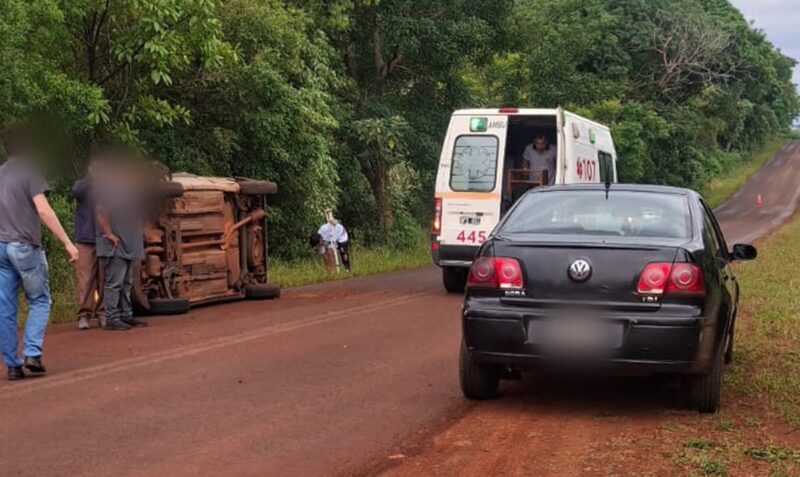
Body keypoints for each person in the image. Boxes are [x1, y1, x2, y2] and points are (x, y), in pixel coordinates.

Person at [0, 123, 79, 381]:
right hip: (24, 245)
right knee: (40, 300)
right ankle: (32, 353)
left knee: (6, 308)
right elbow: (43, 209)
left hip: (1, 247)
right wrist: (67, 242)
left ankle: (12, 365)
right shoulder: (30, 171)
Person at [94, 154, 148, 331]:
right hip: (117, 245)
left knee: (127, 282)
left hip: (129, 243)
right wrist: (108, 233)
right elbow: (101, 210)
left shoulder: (126, 190)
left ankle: (126, 314)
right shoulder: (108, 189)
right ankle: (112, 317)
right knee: (114, 282)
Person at [71, 160, 104, 330]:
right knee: (85, 279)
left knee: (104, 278)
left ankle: (102, 312)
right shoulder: (82, 186)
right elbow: (75, 191)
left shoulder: (107, 186)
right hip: (85, 239)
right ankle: (84, 314)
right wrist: (90, 178)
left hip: (104, 237)